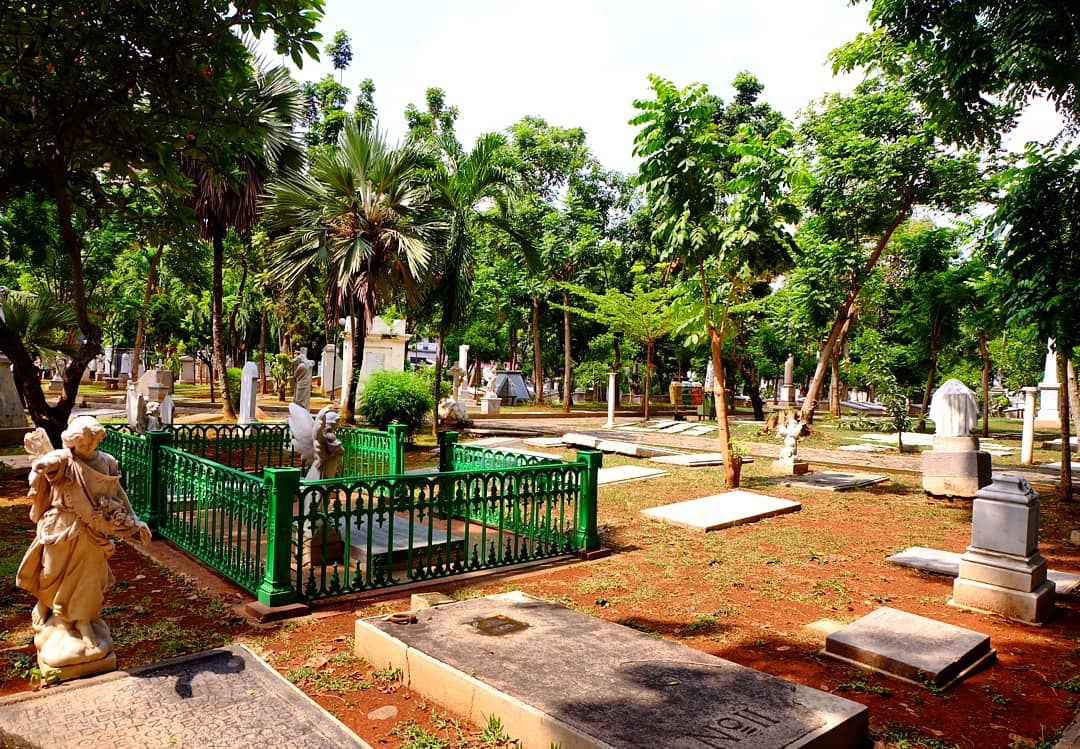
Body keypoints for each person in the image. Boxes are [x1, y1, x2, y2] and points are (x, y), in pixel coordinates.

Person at [16, 417, 151, 668]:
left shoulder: (107, 462)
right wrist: (41, 464)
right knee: (51, 574)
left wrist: (135, 520)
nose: (88, 448)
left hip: (91, 534)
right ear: (72, 442)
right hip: (60, 527)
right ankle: (54, 617)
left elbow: (117, 494)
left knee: (89, 578)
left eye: (92, 443)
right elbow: (50, 462)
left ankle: (83, 622)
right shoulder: (65, 459)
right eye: (82, 444)